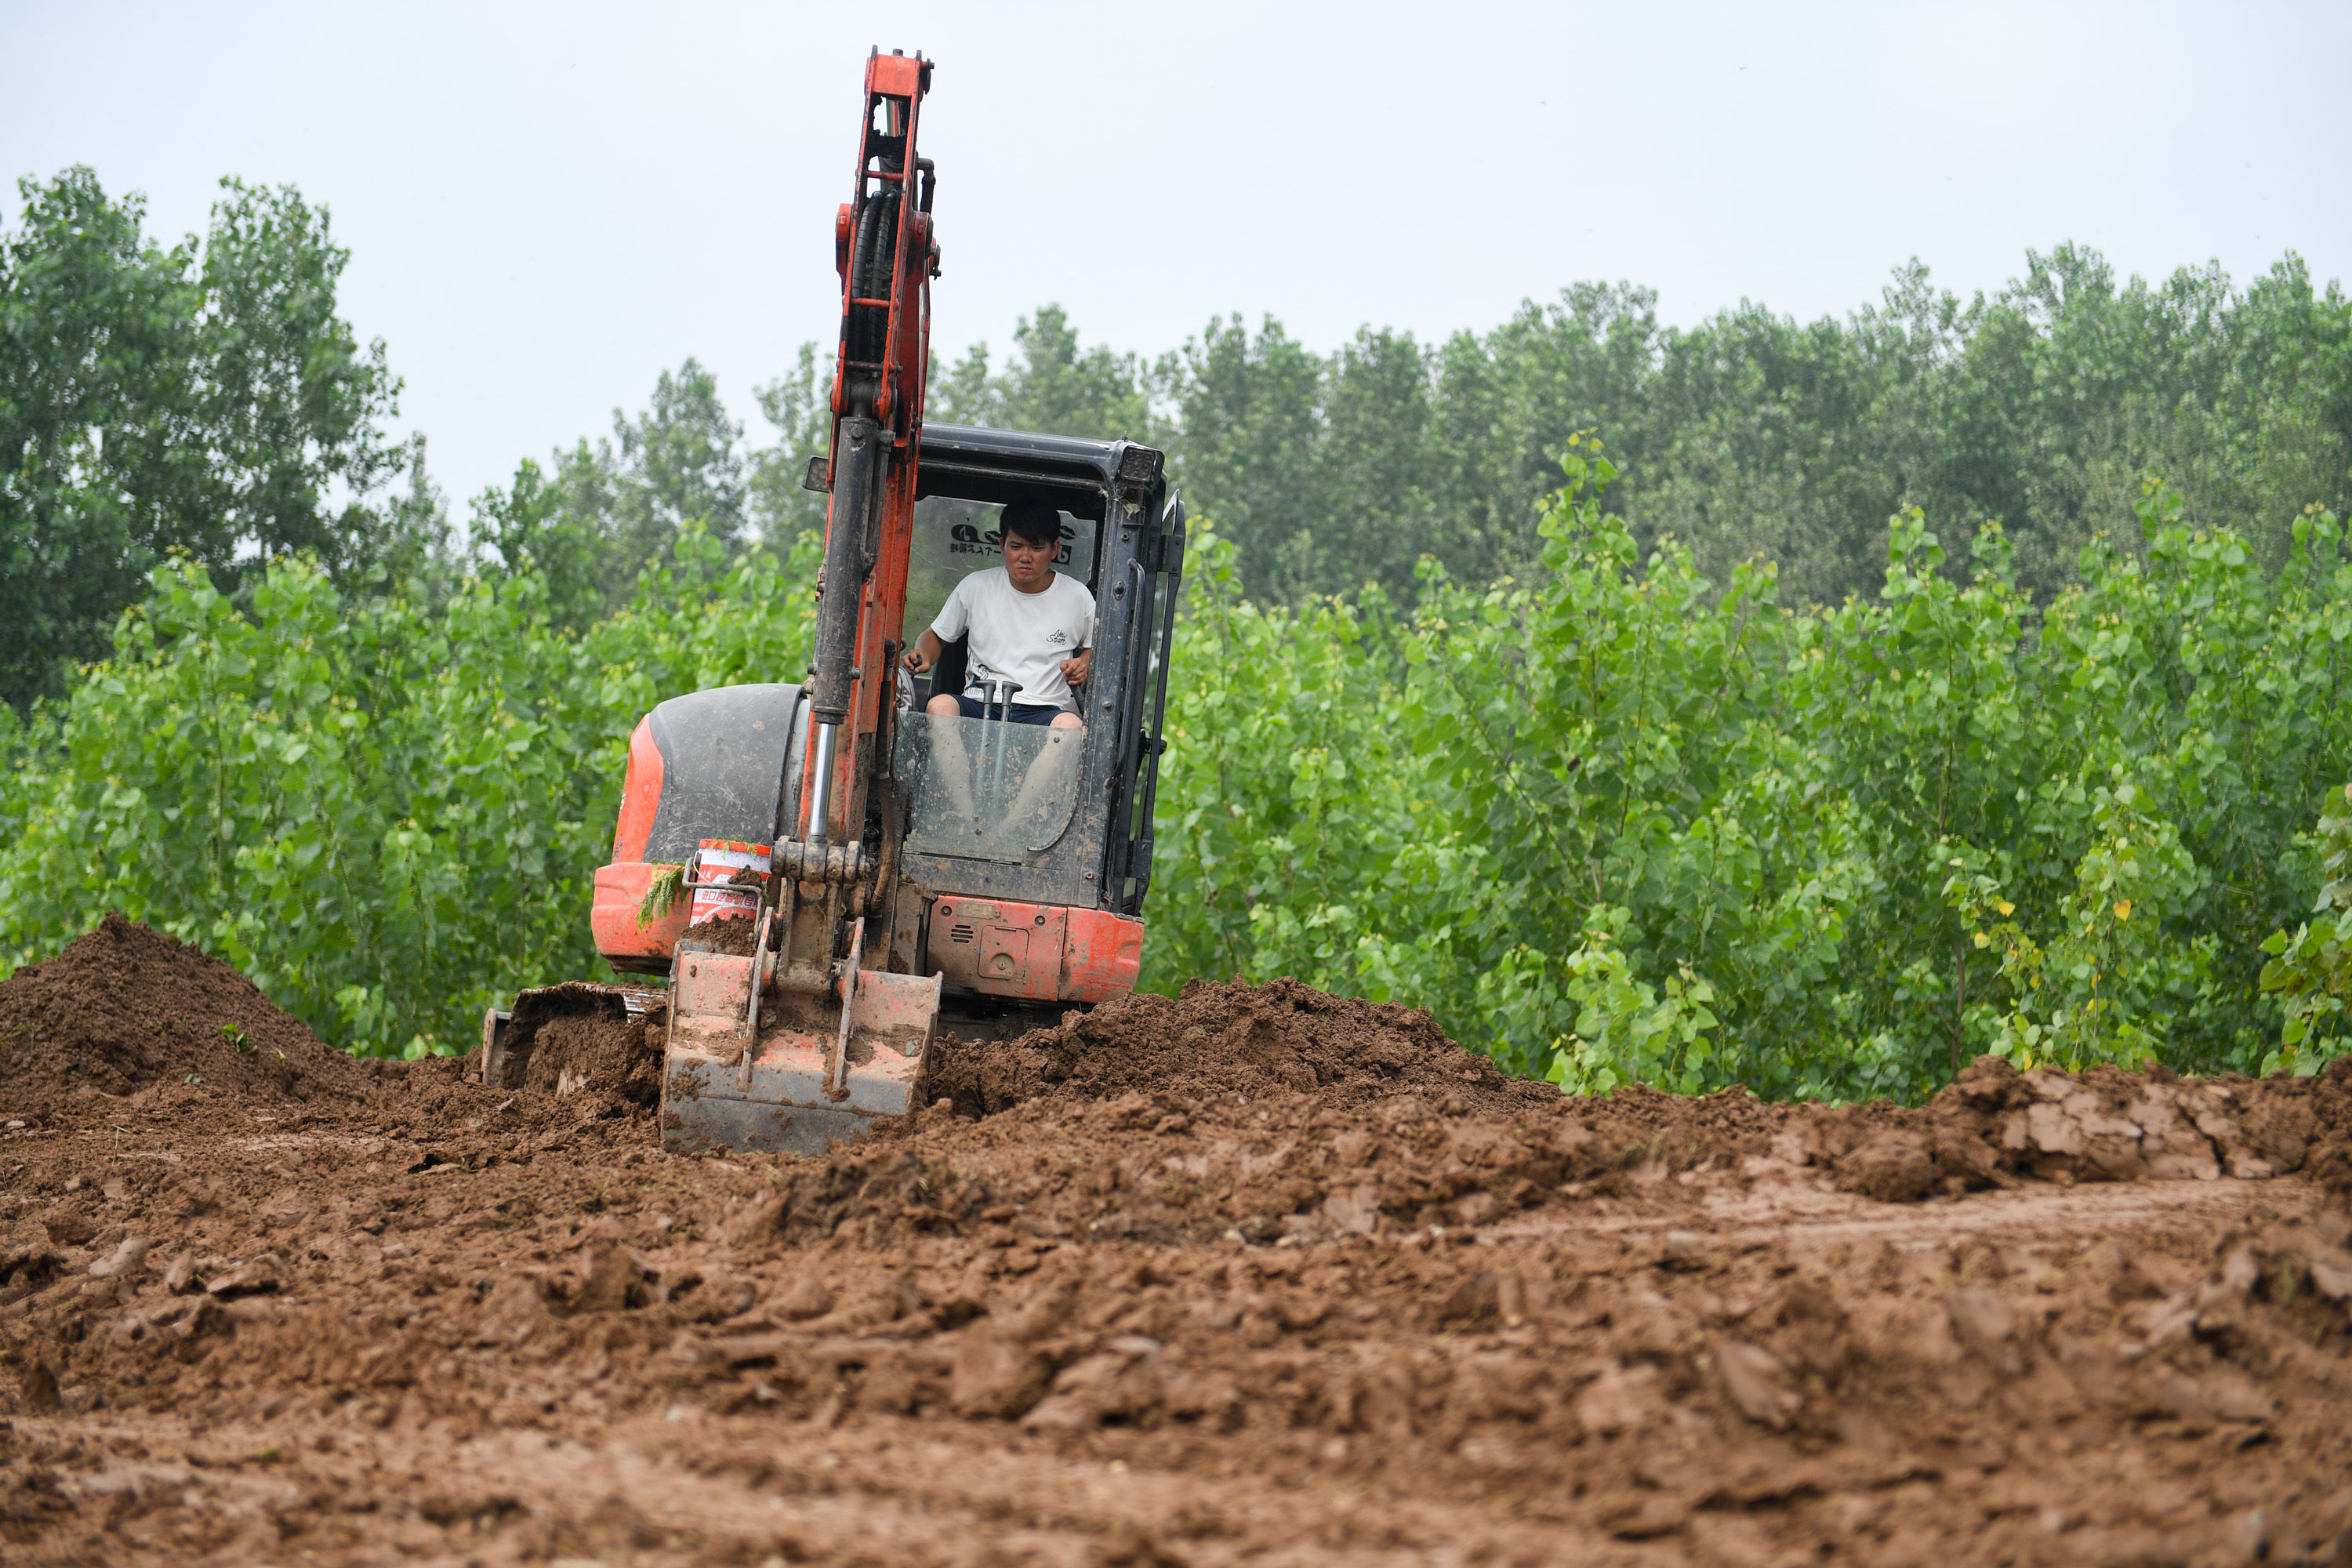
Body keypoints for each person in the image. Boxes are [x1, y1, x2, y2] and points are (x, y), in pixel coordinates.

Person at [902, 499, 1092, 729]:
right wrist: (923, 655)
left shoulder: (1078, 596)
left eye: (1036, 548)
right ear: (1002, 545)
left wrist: (1083, 662)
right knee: (939, 706)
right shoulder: (976, 586)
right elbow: (936, 635)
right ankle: (960, 767)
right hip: (980, 702)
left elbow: (1097, 649)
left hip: (1044, 710)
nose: (1025, 557)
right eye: (1016, 546)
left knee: (1070, 726)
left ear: (1054, 549)